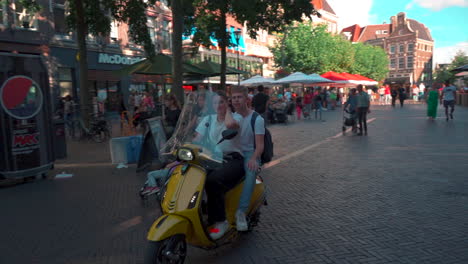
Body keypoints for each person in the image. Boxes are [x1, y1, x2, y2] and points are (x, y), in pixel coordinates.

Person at [194, 91, 244, 240]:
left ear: (227, 103)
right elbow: (197, 138)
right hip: (212, 158)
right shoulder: (208, 119)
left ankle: (221, 222)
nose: (218, 105)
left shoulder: (237, 117)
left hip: (234, 159)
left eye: (221, 102)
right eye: (215, 103)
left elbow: (230, 125)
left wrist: (228, 110)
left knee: (212, 181)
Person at [231, 86, 265, 231]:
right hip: (233, 153)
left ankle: (241, 212)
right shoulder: (231, 117)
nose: (236, 100)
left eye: (239, 97)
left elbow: (260, 146)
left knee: (251, 171)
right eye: (233, 97)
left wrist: (253, 158)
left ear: (246, 99)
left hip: (249, 153)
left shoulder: (257, 119)